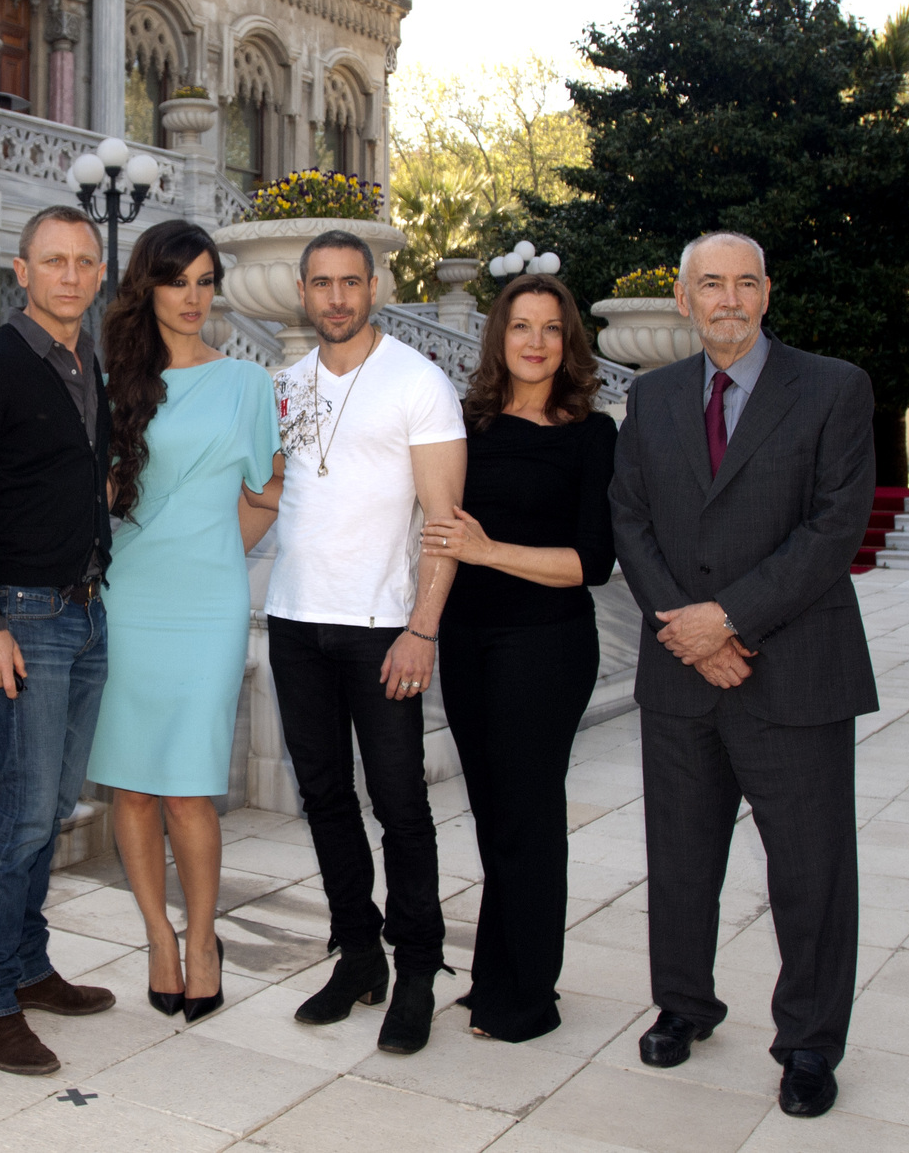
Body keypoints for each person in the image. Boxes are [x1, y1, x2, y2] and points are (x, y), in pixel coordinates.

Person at [609, 231, 876, 1121]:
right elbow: (630, 522)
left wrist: (728, 619)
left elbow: (835, 528)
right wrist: (689, 633)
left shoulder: (834, 387)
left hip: (794, 669)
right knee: (681, 860)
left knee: (811, 871)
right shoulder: (650, 399)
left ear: (768, 294)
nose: (729, 298)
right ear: (683, 299)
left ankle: (808, 1042)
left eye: (745, 283)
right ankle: (683, 1003)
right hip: (681, 672)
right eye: (710, 284)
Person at [0, 204, 120, 1076]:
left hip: (83, 611)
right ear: (21, 270)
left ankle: (27, 960)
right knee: (25, 804)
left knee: (58, 799)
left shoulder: (87, 362)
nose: (70, 274)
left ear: (99, 271)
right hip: (23, 616)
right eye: (54, 260)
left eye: (84, 260)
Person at [264, 229, 467, 1056]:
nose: (338, 297)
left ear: (375, 284)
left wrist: (423, 628)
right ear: (303, 290)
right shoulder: (284, 385)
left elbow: (446, 526)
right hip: (293, 620)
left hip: (384, 628)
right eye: (323, 283)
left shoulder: (419, 383)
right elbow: (268, 497)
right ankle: (358, 953)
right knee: (323, 797)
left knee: (400, 803)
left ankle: (418, 968)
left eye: (352, 281)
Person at [87, 220, 282, 1025]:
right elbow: (95, 497)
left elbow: (266, 492)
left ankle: (204, 941)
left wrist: (212, 556)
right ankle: (157, 939)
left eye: (207, 280)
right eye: (180, 281)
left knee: (192, 789)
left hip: (206, 600)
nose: (195, 296)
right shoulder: (111, 383)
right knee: (131, 785)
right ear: (149, 289)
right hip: (127, 597)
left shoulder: (247, 384)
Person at [420, 274, 616, 1043]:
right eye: (520, 326)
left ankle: (530, 994)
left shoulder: (591, 433)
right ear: (498, 338)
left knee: (530, 818)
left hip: (547, 641)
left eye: (551, 328)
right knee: (494, 813)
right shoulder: (466, 425)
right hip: (469, 640)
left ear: (569, 342)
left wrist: (486, 549)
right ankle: (497, 970)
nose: (535, 341)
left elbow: (591, 562)